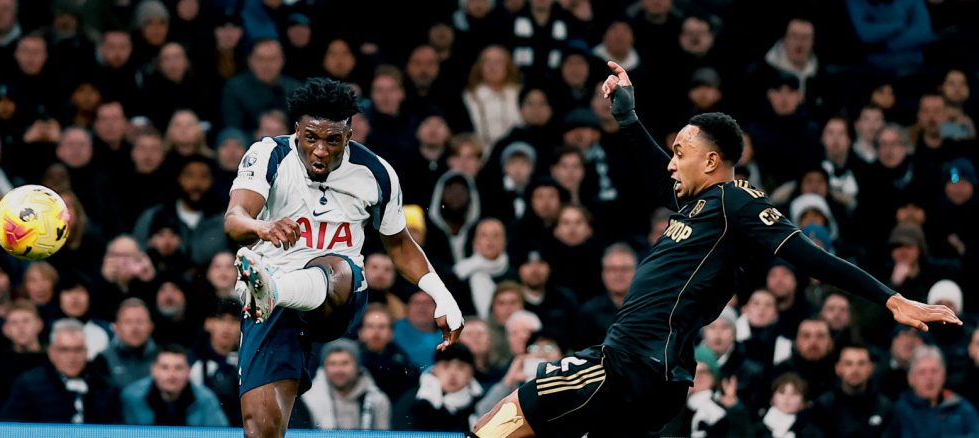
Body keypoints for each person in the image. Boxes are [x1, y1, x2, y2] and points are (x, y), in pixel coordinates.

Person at [469, 61, 962, 438]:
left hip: (628, 364)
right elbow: (652, 165)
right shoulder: (698, 203)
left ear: (710, 160)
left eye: (680, 154)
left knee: (501, 420)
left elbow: (810, 257)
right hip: (656, 375)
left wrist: (892, 299)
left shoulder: (736, 201)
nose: (671, 164)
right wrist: (627, 117)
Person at [224, 77, 464, 437]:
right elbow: (234, 217)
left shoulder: (375, 173)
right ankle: (272, 291)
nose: (320, 150)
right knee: (260, 430)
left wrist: (442, 296)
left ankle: (275, 288)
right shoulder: (268, 154)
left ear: (348, 136)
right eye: (311, 138)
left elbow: (398, 244)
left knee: (335, 266)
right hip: (270, 304)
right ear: (296, 131)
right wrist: (262, 227)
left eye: (332, 140)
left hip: (338, 298)